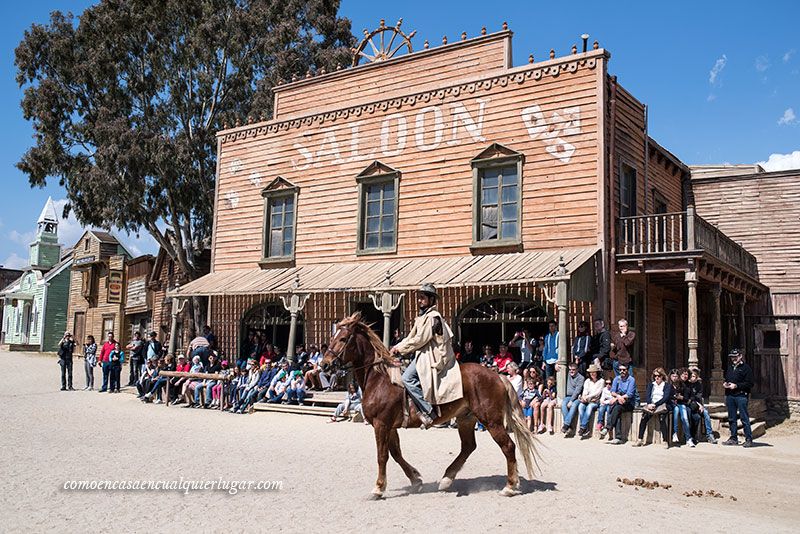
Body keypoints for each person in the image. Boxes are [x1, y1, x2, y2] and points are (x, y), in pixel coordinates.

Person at [390, 284, 463, 429]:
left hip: (433, 356)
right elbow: (411, 337)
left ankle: (429, 411)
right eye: (419, 298)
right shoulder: (422, 317)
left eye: (422, 298)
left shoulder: (433, 317)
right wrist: (396, 347)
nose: (419, 301)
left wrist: (400, 349)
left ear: (431, 300)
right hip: (423, 354)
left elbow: (420, 340)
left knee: (407, 378)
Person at [633, 367, 673, 448]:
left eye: (658, 376)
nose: (656, 377)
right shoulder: (651, 384)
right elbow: (647, 395)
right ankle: (640, 439)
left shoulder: (667, 385)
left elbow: (666, 397)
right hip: (651, 404)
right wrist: (649, 404)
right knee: (644, 417)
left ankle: (665, 440)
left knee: (662, 419)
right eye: (655, 376)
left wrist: (656, 404)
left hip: (662, 404)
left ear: (662, 376)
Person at [723, 348, 755, 447]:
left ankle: (749, 439)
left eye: (735, 356)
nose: (734, 359)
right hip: (730, 395)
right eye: (732, 357)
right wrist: (726, 384)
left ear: (740, 356)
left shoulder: (746, 368)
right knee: (732, 418)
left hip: (741, 395)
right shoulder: (730, 367)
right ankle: (733, 438)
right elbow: (727, 378)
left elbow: (750, 383)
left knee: (744, 418)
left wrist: (736, 386)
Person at [603, 363, 636, 444]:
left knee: (616, 408)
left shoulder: (631, 380)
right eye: (620, 370)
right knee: (616, 409)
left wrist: (620, 398)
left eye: (624, 370)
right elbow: (612, 391)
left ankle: (608, 427)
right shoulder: (616, 379)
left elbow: (630, 394)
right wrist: (618, 397)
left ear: (627, 370)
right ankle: (618, 437)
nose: (622, 371)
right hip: (619, 401)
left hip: (629, 402)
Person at [688, 367, 717, 444]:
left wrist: (701, 405)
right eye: (691, 376)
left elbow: (699, 396)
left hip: (698, 405)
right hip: (690, 405)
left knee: (706, 414)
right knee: (695, 417)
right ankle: (692, 436)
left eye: (694, 376)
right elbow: (690, 398)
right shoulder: (687, 384)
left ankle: (709, 435)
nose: (692, 378)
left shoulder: (698, 385)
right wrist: (699, 404)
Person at [577, 364, 605, 437]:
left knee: (589, 407)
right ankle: (584, 428)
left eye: (594, 372)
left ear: (597, 372)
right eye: (591, 372)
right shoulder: (587, 381)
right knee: (580, 406)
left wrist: (588, 397)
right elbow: (585, 391)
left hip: (596, 401)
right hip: (588, 400)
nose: (592, 374)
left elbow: (598, 392)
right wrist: (584, 397)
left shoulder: (601, 381)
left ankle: (583, 427)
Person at [671, 368, 695, 447]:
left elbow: (689, 397)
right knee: (677, 411)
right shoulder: (671, 384)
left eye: (686, 374)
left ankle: (689, 438)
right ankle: (675, 433)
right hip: (675, 404)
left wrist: (683, 398)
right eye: (683, 374)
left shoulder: (686, 384)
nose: (685, 376)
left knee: (685, 418)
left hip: (682, 404)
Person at [560, 362, 585, 436]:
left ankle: (566, 425)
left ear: (577, 370)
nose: (571, 371)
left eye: (573, 369)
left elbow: (577, 391)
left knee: (573, 405)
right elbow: (561, 369)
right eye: (570, 369)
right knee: (563, 404)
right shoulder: (568, 374)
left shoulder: (581, 378)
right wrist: (557, 365)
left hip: (577, 397)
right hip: (568, 396)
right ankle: (569, 426)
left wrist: (571, 401)